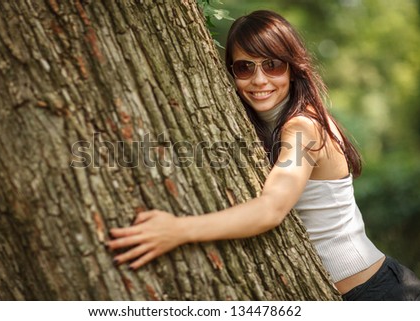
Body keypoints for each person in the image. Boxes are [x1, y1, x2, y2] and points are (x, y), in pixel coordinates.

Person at [105, 10, 420, 300]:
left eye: (272, 65)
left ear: (292, 69)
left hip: (379, 295)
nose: (259, 80)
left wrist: (177, 230)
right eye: (244, 67)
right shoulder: (270, 128)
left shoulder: (302, 127)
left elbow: (271, 209)